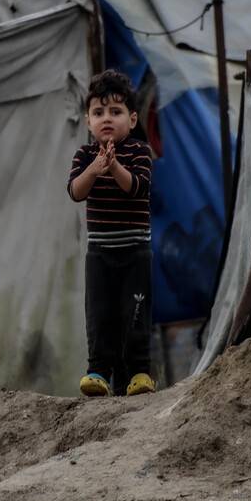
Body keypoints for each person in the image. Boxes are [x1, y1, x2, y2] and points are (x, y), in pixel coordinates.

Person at [67, 70, 156, 397]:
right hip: (99, 254)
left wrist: (114, 166)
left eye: (116, 112)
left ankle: (139, 374)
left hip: (135, 252)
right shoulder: (84, 156)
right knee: (100, 314)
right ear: (88, 121)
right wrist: (95, 168)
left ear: (132, 120)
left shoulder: (139, 152)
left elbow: (137, 188)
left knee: (134, 314)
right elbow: (75, 192)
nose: (107, 118)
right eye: (98, 112)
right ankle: (99, 372)